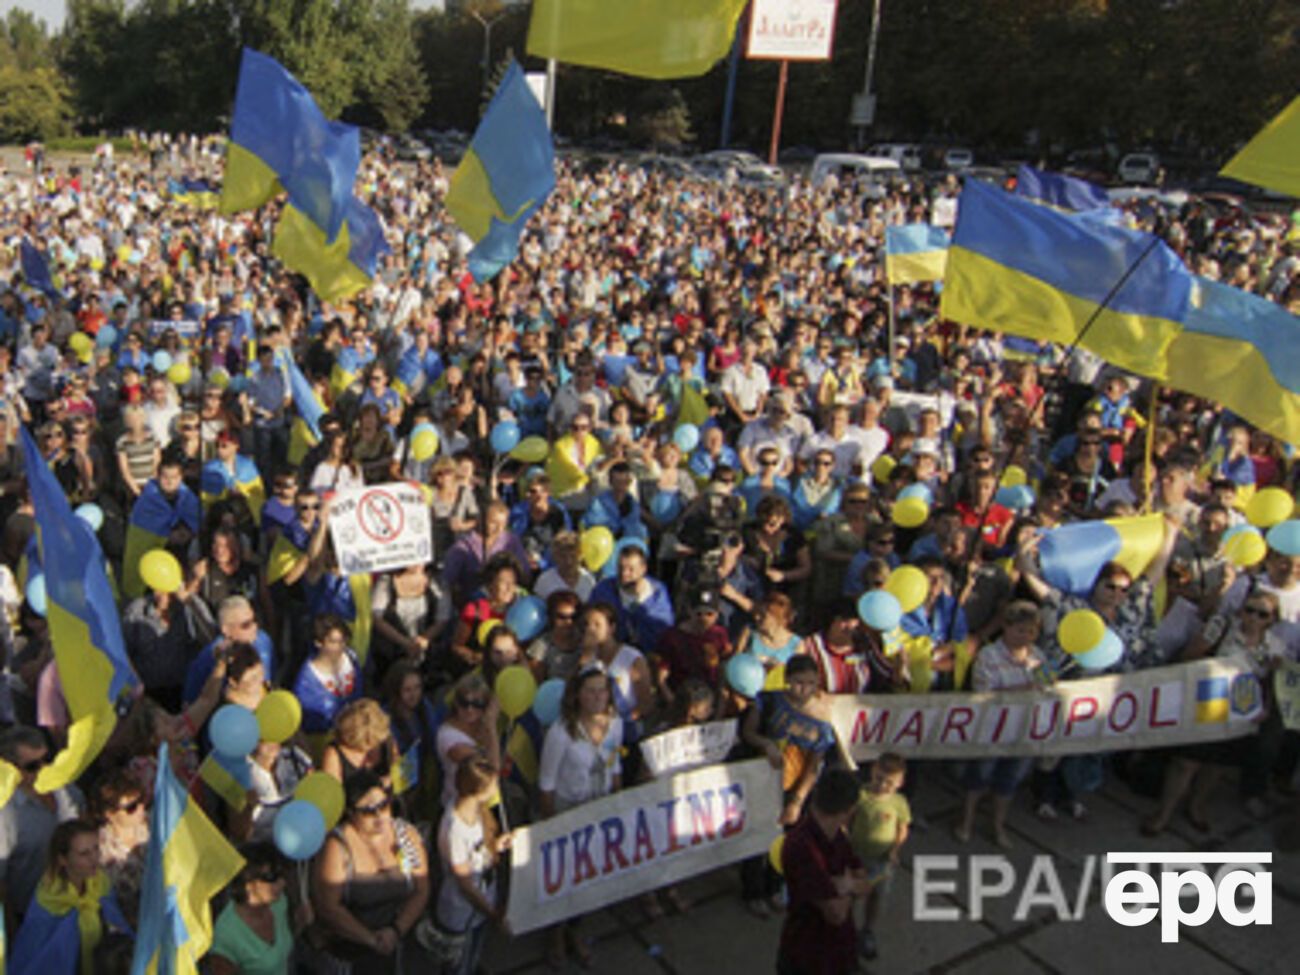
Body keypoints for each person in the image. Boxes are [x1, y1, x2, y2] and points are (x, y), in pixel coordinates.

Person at [537, 666, 624, 968]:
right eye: (591, 690)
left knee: (588, 878)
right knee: (564, 877)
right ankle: (555, 934)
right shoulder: (561, 733)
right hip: (567, 811)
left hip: (599, 809)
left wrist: (618, 805)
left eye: (602, 689)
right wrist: (552, 827)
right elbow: (546, 784)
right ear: (577, 696)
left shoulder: (615, 725)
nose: (598, 696)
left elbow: (614, 767)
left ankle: (576, 930)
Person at [740, 655, 837, 918]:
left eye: (810, 683)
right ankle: (753, 890)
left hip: (793, 786)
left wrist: (797, 800)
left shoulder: (822, 719)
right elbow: (748, 732)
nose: (804, 689)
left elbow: (815, 764)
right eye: (798, 682)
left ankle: (775, 885)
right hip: (762, 780)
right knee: (756, 838)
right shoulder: (768, 700)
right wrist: (765, 743)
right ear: (786, 681)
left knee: (785, 840)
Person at [312, 771, 433, 974]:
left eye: (383, 806)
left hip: (393, 946)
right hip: (348, 953)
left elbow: (421, 888)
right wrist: (371, 939)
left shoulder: (405, 835)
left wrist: (396, 930)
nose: (379, 817)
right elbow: (329, 906)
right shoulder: (337, 846)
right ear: (351, 813)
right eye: (368, 811)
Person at [956, 601, 1051, 848]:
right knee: (978, 778)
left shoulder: (1039, 657)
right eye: (1020, 630)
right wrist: (1021, 690)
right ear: (1006, 628)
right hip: (992, 732)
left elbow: (1049, 687)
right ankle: (966, 821)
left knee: (1008, 782)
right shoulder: (988, 656)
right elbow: (982, 693)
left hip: (1025, 731)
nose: (1025, 636)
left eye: (1031, 631)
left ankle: (998, 825)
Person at [776, 769, 870, 975]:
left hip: (839, 952)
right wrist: (849, 886)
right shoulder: (801, 847)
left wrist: (847, 885)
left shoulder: (837, 836)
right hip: (807, 956)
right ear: (850, 810)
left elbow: (863, 881)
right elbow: (835, 913)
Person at [9, 819, 131, 975]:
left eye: (96, 849)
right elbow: (36, 960)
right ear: (63, 859)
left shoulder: (101, 885)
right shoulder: (49, 902)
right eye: (84, 853)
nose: (94, 858)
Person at [431, 756, 512, 975]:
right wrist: (493, 913)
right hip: (461, 912)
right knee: (457, 964)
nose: (496, 789)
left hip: (481, 904)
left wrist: (496, 845)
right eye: (492, 785)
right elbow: (464, 883)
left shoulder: (474, 812)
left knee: (473, 953)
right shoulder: (455, 828)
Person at [0, 725, 84, 925]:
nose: (44, 769)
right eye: (32, 766)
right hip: (32, 918)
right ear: (11, 769)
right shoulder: (6, 814)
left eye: (48, 760)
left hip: (79, 907)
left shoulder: (67, 790)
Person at [849, 753, 911, 961]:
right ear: (872, 771)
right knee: (852, 894)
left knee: (877, 895)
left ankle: (868, 930)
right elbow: (846, 819)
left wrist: (895, 850)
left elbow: (902, 828)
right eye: (879, 778)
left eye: (890, 782)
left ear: (900, 782)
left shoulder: (899, 803)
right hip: (857, 855)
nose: (883, 785)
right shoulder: (861, 795)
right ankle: (845, 929)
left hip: (882, 860)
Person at [209, 843, 300, 975]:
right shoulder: (226, 934)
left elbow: (284, 946)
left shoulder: (279, 904)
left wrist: (300, 923)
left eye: (281, 875)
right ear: (247, 883)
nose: (282, 883)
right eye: (271, 877)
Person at [91, 771, 149, 927]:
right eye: (131, 807)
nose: (141, 809)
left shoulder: (156, 825)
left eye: (142, 801)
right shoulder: (98, 850)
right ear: (109, 813)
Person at [292, 614, 364, 737]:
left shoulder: (351, 657)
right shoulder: (305, 685)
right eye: (333, 642)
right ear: (318, 643)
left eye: (343, 641)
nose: (340, 647)